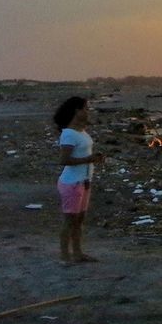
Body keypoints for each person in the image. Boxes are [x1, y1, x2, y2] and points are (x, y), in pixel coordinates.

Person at [54, 96, 104, 263]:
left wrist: (93, 158)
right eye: (85, 109)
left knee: (79, 220)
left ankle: (78, 253)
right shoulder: (68, 134)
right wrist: (88, 159)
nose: (87, 112)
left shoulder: (81, 131)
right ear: (77, 110)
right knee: (70, 220)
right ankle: (64, 256)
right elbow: (64, 160)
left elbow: (84, 154)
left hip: (84, 181)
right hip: (72, 183)